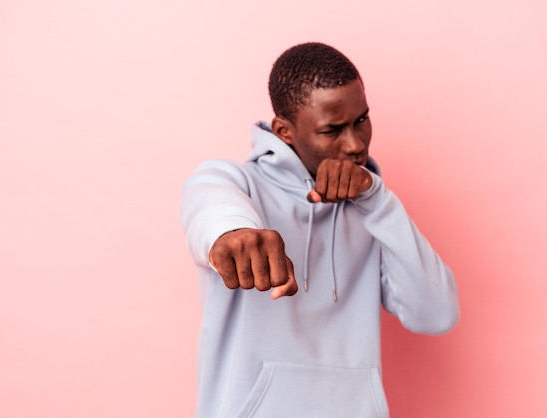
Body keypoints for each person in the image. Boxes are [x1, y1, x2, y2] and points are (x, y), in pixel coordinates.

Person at [180, 42, 459, 418]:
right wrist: (233, 233)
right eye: (333, 130)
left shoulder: (373, 211)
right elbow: (211, 210)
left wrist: (377, 199)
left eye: (361, 120)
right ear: (285, 131)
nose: (355, 144)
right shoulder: (233, 181)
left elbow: (437, 315)